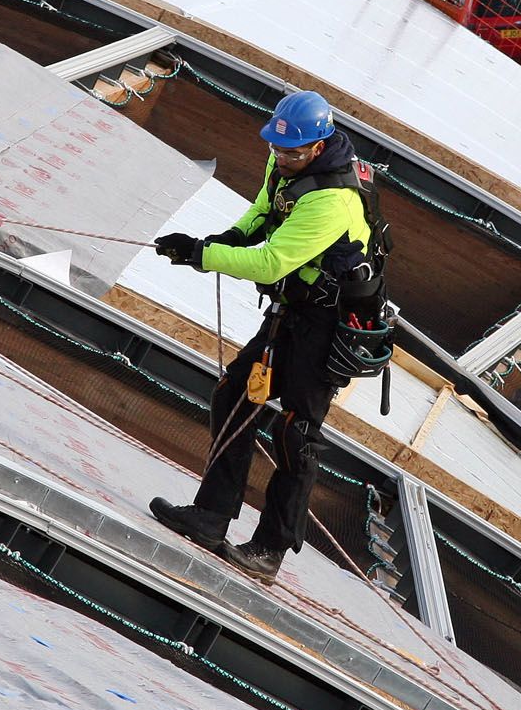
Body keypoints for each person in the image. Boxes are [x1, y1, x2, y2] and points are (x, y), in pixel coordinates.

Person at [148, 90, 385, 582]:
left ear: (319, 147)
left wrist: (201, 255)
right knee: (234, 395)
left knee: (296, 435)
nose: (282, 157)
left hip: (326, 326)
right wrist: (225, 240)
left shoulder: (334, 201)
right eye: (277, 148)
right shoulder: (284, 158)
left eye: (293, 152)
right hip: (291, 311)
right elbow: (264, 212)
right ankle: (212, 516)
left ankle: (269, 551)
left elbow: (273, 260)